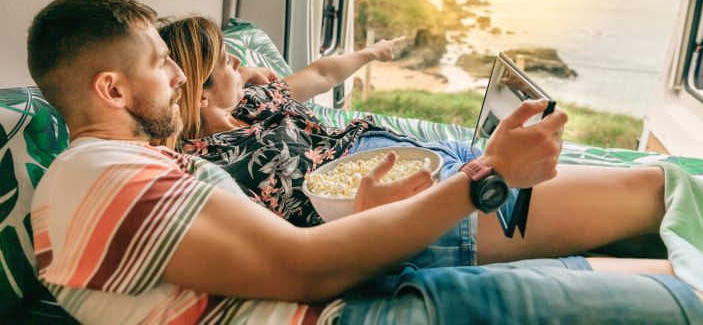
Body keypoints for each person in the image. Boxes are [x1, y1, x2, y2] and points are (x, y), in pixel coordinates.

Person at [27, 0, 703, 324]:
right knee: (693, 298)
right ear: (111, 89)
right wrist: (488, 177)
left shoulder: (130, 171)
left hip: (358, 297)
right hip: (356, 318)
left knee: (668, 258)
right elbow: (304, 269)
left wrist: (364, 220)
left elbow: (297, 259)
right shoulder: (97, 174)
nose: (178, 77)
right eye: (160, 66)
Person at [161, 16, 666, 264]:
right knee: (651, 191)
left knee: (635, 214)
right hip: (401, 197)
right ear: (195, 91)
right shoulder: (198, 165)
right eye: (222, 60)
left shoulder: (256, 99)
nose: (237, 62)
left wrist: (369, 53)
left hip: (420, 156)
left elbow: (318, 72)